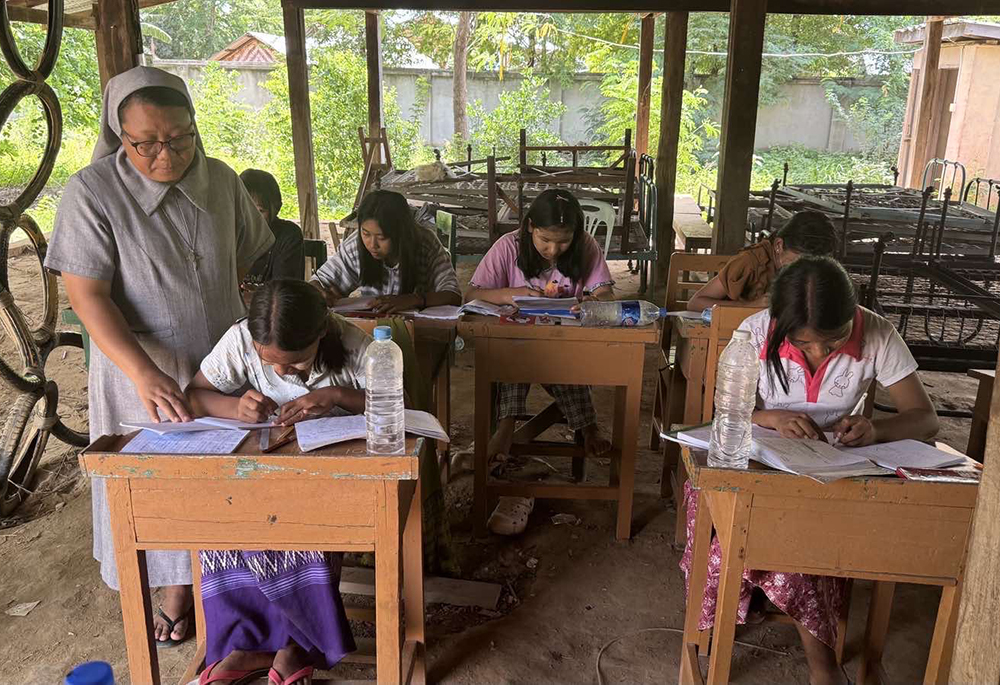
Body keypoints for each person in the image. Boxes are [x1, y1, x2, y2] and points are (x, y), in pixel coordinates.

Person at [43, 67, 274, 647]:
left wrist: (210, 308)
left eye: (178, 138)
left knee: (228, 472)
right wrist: (145, 373)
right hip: (137, 369)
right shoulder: (92, 192)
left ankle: (224, 588)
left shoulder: (221, 180)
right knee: (162, 485)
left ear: (195, 128)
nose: (163, 154)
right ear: (120, 137)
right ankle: (175, 589)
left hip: (219, 357)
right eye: (144, 143)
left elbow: (244, 255)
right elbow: (86, 294)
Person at [681, 256, 938, 685]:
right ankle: (821, 665)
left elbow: (925, 419)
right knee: (772, 526)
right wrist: (772, 418)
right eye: (805, 345)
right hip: (754, 464)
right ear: (780, 322)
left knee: (804, 529)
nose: (819, 353)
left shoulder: (876, 332)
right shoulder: (756, 332)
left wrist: (876, 429)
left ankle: (821, 663)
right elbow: (725, 410)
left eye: (833, 343)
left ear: (852, 317)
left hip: (830, 470)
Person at [185, 279, 368, 684]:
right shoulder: (240, 341)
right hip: (263, 467)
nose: (282, 371)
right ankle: (245, 643)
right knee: (224, 520)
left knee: (299, 521)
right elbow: (195, 395)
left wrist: (339, 396)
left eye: (295, 362)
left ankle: (295, 644)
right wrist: (235, 405)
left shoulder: (354, 346)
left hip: (334, 474)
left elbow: (400, 406)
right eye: (271, 363)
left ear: (321, 333)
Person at [465, 188, 615, 535]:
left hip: (567, 344)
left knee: (556, 359)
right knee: (523, 352)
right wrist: (511, 295)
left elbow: (606, 293)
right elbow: (472, 294)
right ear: (530, 227)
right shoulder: (508, 247)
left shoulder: (586, 246)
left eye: (563, 242)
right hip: (518, 343)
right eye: (545, 240)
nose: (552, 250)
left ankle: (584, 426)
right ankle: (509, 429)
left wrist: (592, 300)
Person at [311, 189, 461, 313]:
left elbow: (453, 295)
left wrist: (415, 299)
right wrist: (321, 292)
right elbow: (317, 282)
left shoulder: (425, 243)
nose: (372, 244)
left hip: (419, 330)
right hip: (373, 330)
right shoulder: (356, 245)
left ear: (400, 233)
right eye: (366, 233)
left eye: (381, 237)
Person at [686, 210, 838, 312]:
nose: (805, 273)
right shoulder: (751, 262)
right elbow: (695, 303)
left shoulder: (819, 269)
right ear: (778, 245)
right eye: (798, 263)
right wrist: (750, 306)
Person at [239, 168, 305, 297]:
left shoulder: (288, 236)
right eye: (245, 209)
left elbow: (286, 294)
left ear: (276, 208)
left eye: (260, 211)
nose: (251, 218)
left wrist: (263, 297)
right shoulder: (226, 235)